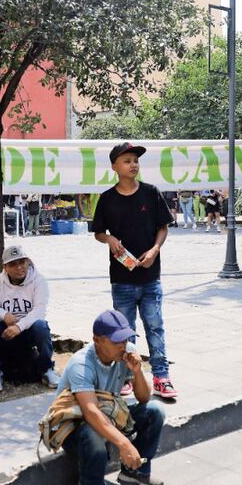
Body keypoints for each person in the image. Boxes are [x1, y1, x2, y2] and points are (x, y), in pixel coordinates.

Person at [92, 142, 177, 399]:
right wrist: (109, 240)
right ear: (115, 167)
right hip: (121, 280)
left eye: (135, 160)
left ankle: (161, 377)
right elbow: (98, 233)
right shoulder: (106, 199)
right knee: (125, 332)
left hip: (151, 277)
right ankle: (126, 377)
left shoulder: (151, 193)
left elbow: (163, 227)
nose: (133, 164)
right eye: (127, 160)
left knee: (155, 327)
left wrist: (154, 250)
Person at [57, 309, 165, 485]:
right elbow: (91, 413)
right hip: (73, 427)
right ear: (97, 340)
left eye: (125, 339)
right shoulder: (81, 364)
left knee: (154, 410)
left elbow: (143, 398)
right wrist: (125, 444)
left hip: (108, 414)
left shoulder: (127, 352)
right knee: (93, 431)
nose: (123, 345)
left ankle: (135, 472)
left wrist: (137, 372)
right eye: (116, 341)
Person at [0, 244, 57, 391]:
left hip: (27, 329)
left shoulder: (38, 281)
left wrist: (19, 326)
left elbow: (39, 311)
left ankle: (47, 369)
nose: (19, 267)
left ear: (28, 261)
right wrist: (3, 315)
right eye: (13, 264)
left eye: (22, 262)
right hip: (6, 329)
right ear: (5, 267)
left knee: (41, 326)